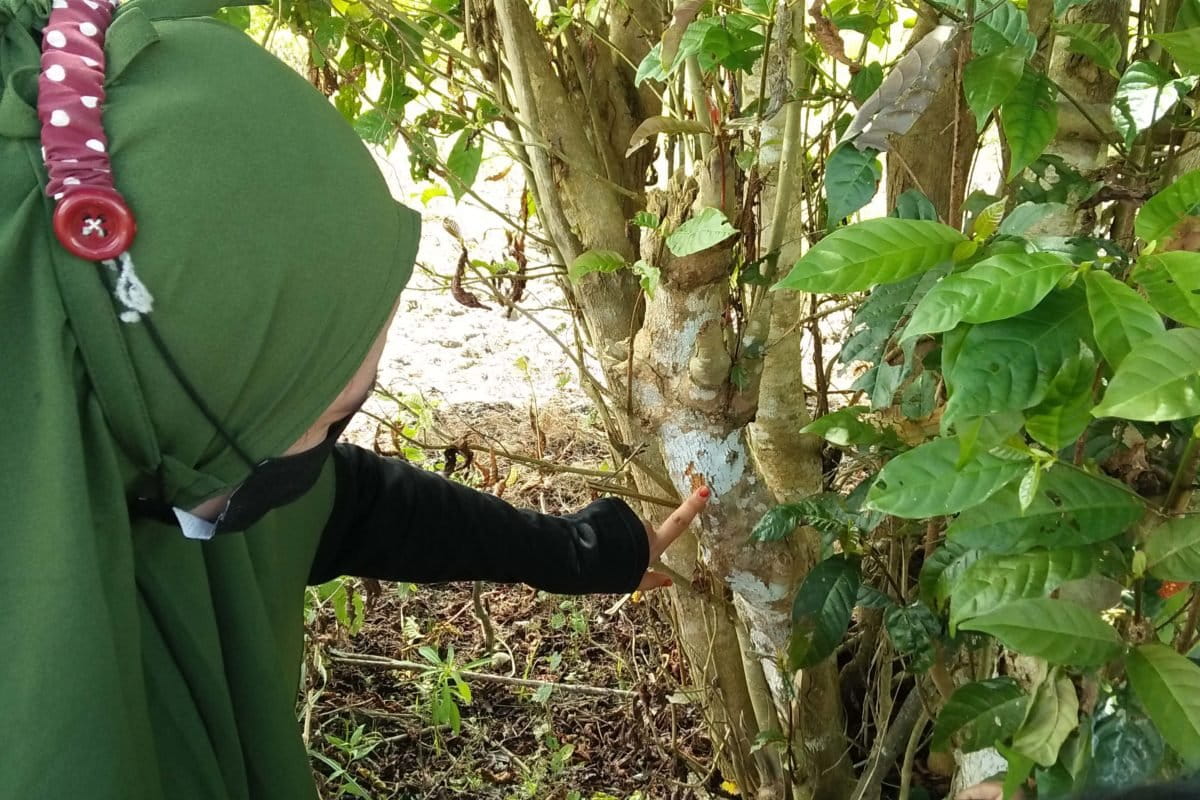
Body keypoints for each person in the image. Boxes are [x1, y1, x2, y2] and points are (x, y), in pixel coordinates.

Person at [0, 0, 705, 796]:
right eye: (332, 416)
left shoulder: (120, 428)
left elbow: (345, 508)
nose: (330, 447)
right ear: (154, 412)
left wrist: (582, 551)